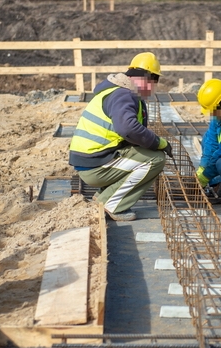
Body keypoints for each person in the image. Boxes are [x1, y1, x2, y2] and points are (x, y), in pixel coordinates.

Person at [68, 52, 173, 221]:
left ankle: (103, 196)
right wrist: (159, 143)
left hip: (90, 161)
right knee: (156, 159)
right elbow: (128, 129)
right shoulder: (124, 95)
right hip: (95, 166)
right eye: (154, 83)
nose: (153, 89)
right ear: (147, 79)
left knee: (141, 152)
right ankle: (112, 204)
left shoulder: (116, 92)